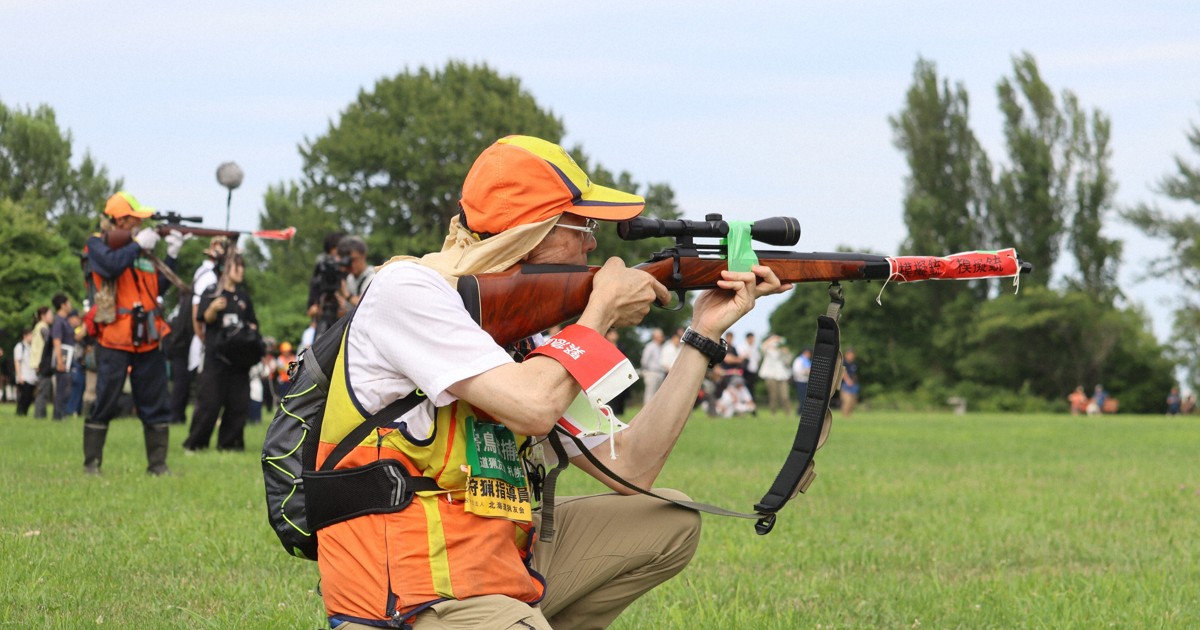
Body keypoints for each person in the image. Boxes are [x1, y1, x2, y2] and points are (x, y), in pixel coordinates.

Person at [313, 135, 787, 629]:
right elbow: (532, 406)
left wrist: (702, 334)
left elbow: (633, 468)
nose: (593, 242)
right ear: (530, 232)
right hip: (408, 592)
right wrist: (598, 313)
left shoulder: (525, 334)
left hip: (493, 566)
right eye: (582, 224)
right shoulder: (407, 290)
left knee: (671, 519)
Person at [83, 192, 177, 475]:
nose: (140, 226)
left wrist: (172, 255)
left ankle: (158, 466)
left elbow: (157, 288)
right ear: (121, 220)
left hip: (147, 338)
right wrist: (137, 245)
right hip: (115, 337)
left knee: (155, 403)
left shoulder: (140, 251)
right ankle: (92, 465)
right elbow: (110, 266)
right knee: (105, 401)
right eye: (135, 221)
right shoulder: (97, 244)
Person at [183, 253, 258, 452]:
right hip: (216, 356)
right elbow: (202, 320)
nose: (240, 270)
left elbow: (253, 324)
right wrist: (213, 309)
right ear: (225, 268)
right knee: (209, 402)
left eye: (242, 266)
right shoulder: (212, 292)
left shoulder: (243, 297)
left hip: (239, 358)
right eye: (236, 266)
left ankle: (230, 444)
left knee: (238, 404)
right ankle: (196, 443)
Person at [168, 236, 225, 425]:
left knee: (185, 379)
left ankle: (179, 415)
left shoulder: (205, 272)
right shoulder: (208, 275)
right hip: (192, 333)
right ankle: (180, 417)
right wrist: (201, 334)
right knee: (193, 378)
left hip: (189, 332)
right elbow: (196, 307)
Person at [50, 293, 76, 420]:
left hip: (68, 359)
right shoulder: (58, 322)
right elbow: (57, 341)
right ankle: (58, 416)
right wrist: (60, 361)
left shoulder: (65, 321)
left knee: (66, 387)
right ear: (63, 305)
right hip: (63, 359)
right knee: (62, 388)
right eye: (68, 303)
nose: (70, 305)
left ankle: (61, 414)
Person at [337, 235, 375, 308]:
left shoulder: (373, 277)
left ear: (363, 255)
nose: (350, 264)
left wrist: (347, 295)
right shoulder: (350, 279)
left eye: (353, 260)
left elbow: (366, 306)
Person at [758, 334, 792, 415]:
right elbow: (762, 347)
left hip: (782, 375)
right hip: (770, 375)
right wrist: (772, 338)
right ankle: (773, 413)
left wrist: (786, 353)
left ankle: (788, 413)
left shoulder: (781, 351)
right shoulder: (767, 351)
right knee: (773, 396)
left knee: (785, 396)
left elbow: (788, 362)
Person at [31, 306, 54, 420]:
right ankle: (39, 416)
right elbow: (50, 341)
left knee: (42, 390)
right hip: (42, 363)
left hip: (38, 363)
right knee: (42, 391)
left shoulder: (38, 327)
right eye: (50, 314)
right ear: (43, 316)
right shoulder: (43, 328)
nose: (52, 317)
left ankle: (40, 415)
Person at [13, 329, 37, 416]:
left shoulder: (31, 347)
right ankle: (20, 413)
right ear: (25, 336)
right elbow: (17, 361)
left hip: (32, 376)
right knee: (24, 397)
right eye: (31, 335)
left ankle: (24, 413)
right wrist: (19, 375)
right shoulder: (19, 347)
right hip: (24, 376)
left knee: (29, 397)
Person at [640, 327, 665, 405]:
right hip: (652, 372)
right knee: (650, 394)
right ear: (655, 337)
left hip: (660, 373)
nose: (661, 338)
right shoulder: (650, 346)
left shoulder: (661, 347)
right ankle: (646, 413)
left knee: (657, 395)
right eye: (660, 336)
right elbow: (644, 360)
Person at [840, 348, 860, 417]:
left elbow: (854, 374)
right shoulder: (844, 363)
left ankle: (849, 415)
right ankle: (845, 416)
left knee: (853, 401)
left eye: (853, 354)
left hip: (854, 385)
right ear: (847, 355)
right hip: (846, 384)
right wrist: (848, 380)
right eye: (850, 354)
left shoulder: (854, 364)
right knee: (847, 401)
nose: (852, 356)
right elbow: (843, 372)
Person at [792, 347, 811, 415]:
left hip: (806, 381)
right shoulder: (799, 360)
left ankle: (803, 411)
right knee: (802, 397)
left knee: (806, 397)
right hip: (800, 381)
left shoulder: (807, 360)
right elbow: (796, 371)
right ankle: (799, 411)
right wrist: (805, 372)